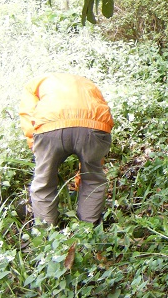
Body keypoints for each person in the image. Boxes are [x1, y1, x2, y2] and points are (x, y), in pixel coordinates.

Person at [19, 73, 113, 226]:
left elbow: (28, 116)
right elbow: (102, 113)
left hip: (50, 126)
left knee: (44, 183)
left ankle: (46, 235)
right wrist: (80, 182)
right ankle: (87, 230)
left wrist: (36, 148)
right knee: (93, 180)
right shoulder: (88, 83)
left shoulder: (33, 86)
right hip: (94, 126)